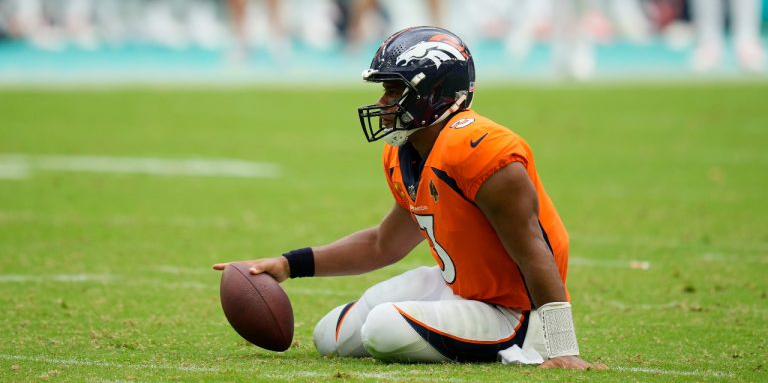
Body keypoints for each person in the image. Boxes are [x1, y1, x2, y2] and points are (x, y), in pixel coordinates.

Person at [213, 26, 599, 369]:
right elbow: (383, 243)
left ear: (433, 93)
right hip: (462, 288)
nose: (383, 101)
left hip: (515, 310)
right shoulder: (406, 151)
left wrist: (560, 344)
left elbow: (535, 248)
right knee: (329, 335)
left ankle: (528, 339)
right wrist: (287, 264)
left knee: (383, 329)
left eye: (395, 89)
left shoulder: (480, 148)